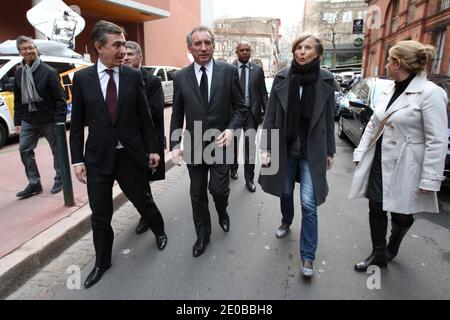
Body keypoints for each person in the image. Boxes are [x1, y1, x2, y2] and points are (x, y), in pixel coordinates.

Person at [70, 20, 167, 289]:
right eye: (117, 45)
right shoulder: (82, 79)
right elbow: (76, 124)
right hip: (98, 158)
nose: (123, 50)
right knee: (100, 215)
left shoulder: (133, 76)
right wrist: (77, 160)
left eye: (124, 44)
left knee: (143, 201)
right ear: (99, 47)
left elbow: (145, 118)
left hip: (129, 156)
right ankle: (102, 261)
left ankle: (159, 230)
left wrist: (153, 149)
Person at [350, 40, 448, 272]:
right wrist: (360, 152)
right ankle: (379, 253)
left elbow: (437, 139)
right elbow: (375, 123)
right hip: (380, 158)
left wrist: (430, 178)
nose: (385, 65)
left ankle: (396, 237)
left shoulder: (431, 94)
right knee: (376, 206)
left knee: (402, 214)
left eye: (389, 60)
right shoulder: (389, 89)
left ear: (398, 63)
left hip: (408, 163)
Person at [259, 34, 335, 277]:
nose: (302, 52)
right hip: (285, 147)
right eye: (298, 48)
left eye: (307, 48)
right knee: (284, 190)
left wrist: (330, 150)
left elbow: (328, 117)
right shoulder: (283, 77)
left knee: (309, 204)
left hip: (312, 150)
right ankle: (286, 219)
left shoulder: (326, 79)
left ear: (317, 53)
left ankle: (308, 256)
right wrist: (266, 147)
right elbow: (270, 115)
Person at [170, 26, 247, 257]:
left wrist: (232, 130)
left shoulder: (228, 72)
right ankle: (202, 235)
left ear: (213, 45)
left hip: (221, 144)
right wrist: (175, 145)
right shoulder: (181, 77)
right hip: (194, 145)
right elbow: (176, 114)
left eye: (207, 43)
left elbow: (241, 108)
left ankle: (222, 211)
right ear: (190, 48)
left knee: (219, 190)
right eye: (198, 44)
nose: (203, 48)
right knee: (197, 194)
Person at [13, 36, 67, 198]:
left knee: (57, 151)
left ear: (36, 49)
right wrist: (18, 121)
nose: (29, 51)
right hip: (29, 119)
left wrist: (59, 121)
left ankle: (61, 178)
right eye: (25, 49)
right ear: (20, 52)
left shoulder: (49, 72)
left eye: (31, 47)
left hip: (50, 119)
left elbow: (60, 99)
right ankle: (34, 183)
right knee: (24, 149)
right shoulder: (19, 73)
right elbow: (18, 99)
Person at [122, 40, 166, 235]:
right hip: (127, 140)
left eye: (130, 54)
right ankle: (147, 212)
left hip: (146, 139)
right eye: (124, 54)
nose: (126, 58)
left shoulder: (152, 81)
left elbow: (155, 111)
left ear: (139, 58)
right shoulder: (119, 78)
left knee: (143, 179)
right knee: (136, 180)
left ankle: (147, 216)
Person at [230, 41, 268, 192]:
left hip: (251, 114)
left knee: (249, 148)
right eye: (242, 50)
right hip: (233, 114)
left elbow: (263, 93)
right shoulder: (228, 69)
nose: (245, 52)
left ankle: (249, 179)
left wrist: (269, 112)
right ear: (236, 52)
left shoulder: (257, 70)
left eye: (247, 50)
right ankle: (232, 168)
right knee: (231, 144)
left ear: (250, 52)